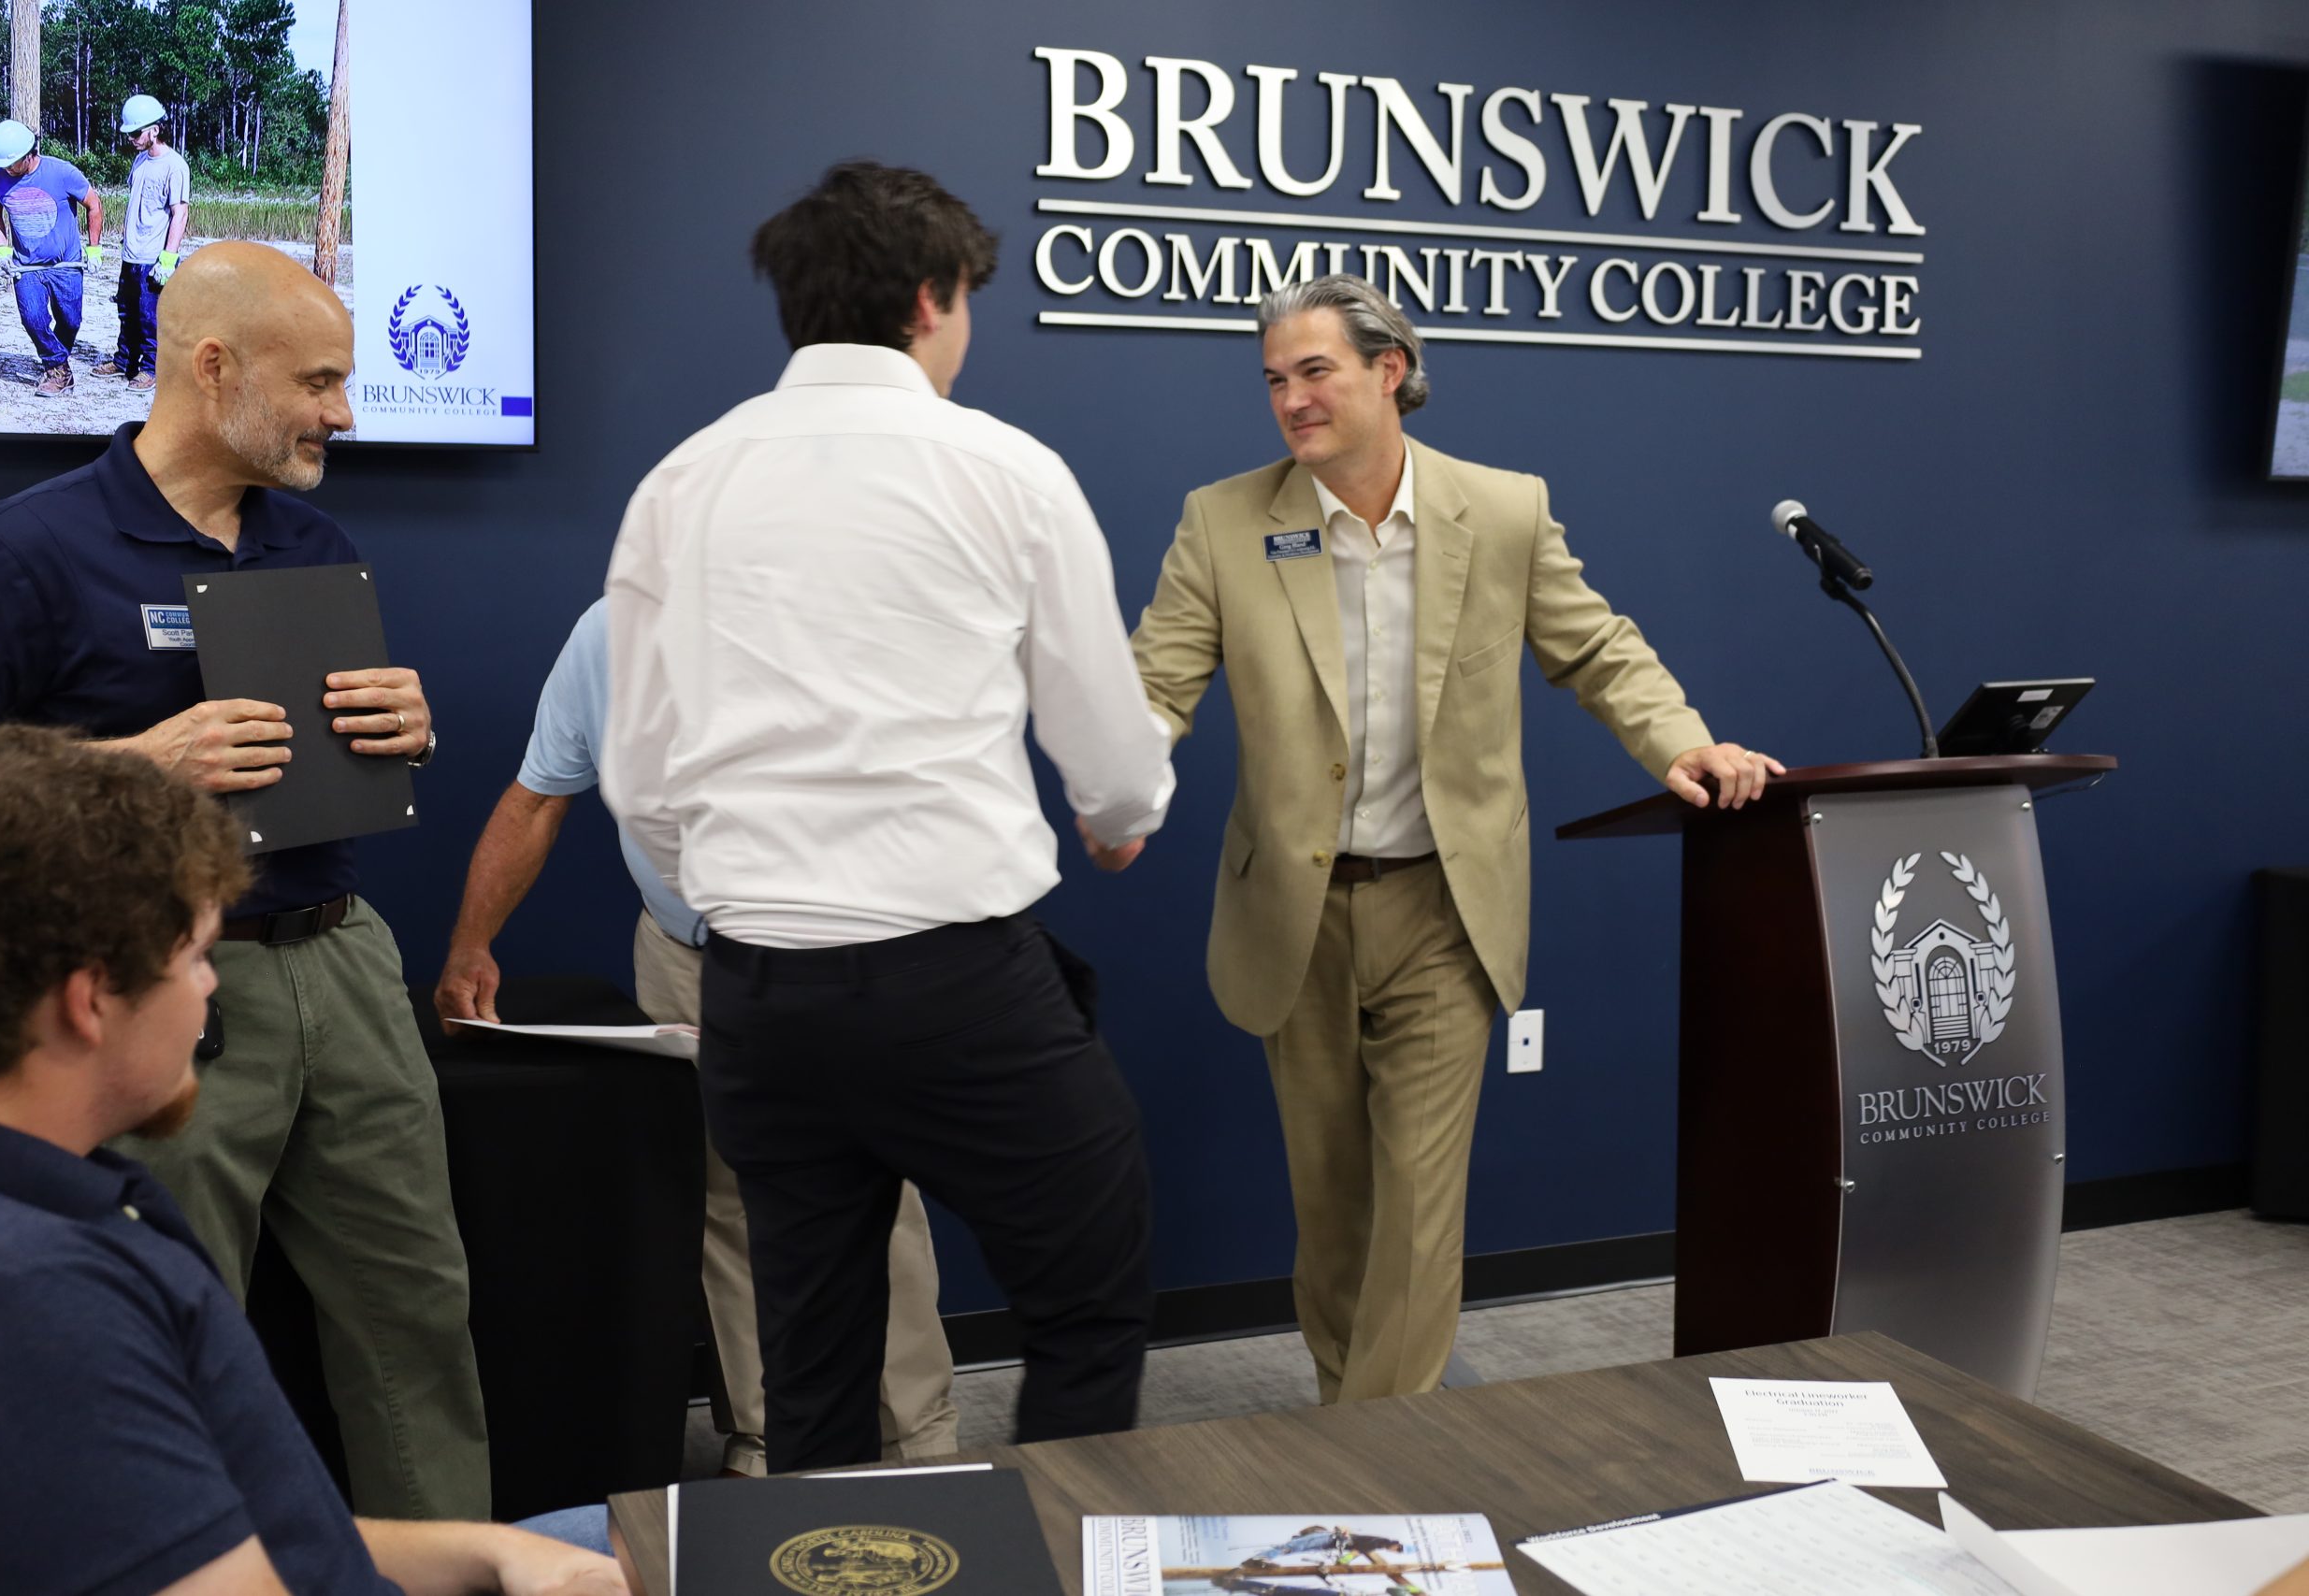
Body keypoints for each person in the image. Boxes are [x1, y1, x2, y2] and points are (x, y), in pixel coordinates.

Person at [602, 161, 1176, 1473]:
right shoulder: (1006, 469)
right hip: (957, 988)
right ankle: (1063, 1552)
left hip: (756, 992)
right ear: (932, 298)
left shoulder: (680, 483)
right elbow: (1103, 731)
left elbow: (641, 777)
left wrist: (747, 885)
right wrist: (1117, 812)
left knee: (812, 1350)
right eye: (968, 300)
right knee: (1089, 1294)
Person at [1128, 274, 1784, 1404]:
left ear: (1390, 370)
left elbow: (1598, 649)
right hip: (1297, 909)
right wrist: (1121, 785)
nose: (1291, 399)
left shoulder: (1504, 510)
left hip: (1444, 907)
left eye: (1315, 371)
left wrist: (1681, 741)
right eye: (1275, 379)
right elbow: (1157, 681)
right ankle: (1355, 1400)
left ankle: (1381, 1451)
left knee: (1423, 1207)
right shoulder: (1223, 521)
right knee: (1333, 1206)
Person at [0, 240, 492, 1519]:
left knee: (416, 1310)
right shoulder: (23, 551)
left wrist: (403, 724)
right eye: (323, 380)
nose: (345, 412)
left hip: (343, 960)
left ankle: (458, 1558)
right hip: (156, 988)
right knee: (171, 1322)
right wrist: (134, 764)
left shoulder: (315, 537)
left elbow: (339, 748)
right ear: (213, 364)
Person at [0, 726, 625, 1596]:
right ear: (90, 1000)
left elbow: (247, 1537)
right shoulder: (28, 1305)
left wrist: (496, 1555)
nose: (213, 985)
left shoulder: (62, 1194)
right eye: (196, 957)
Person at [436, 595, 962, 1476]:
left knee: (871, 1198)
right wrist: (470, 941)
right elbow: (536, 801)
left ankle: (917, 1445)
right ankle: (768, 1436)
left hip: (831, 948)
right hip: (684, 952)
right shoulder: (606, 634)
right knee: (724, 1201)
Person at [0, 119, 104, 396]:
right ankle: (58, 369)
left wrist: (94, 248)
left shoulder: (61, 173)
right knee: (33, 318)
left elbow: (93, 204)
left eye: (13, 163)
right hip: (27, 266)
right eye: (3, 164)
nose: (8, 169)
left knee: (71, 321)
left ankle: (55, 356)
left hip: (65, 264)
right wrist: (3, 249)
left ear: (30, 152)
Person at [95, 93, 191, 391]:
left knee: (150, 318)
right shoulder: (139, 161)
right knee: (127, 312)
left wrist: (168, 258)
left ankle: (150, 369)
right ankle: (125, 361)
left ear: (155, 130)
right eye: (129, 134)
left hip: (154, 258)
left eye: (136, 133)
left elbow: (180, 213)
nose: (132, 139)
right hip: (131, 255)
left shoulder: (175, 166)